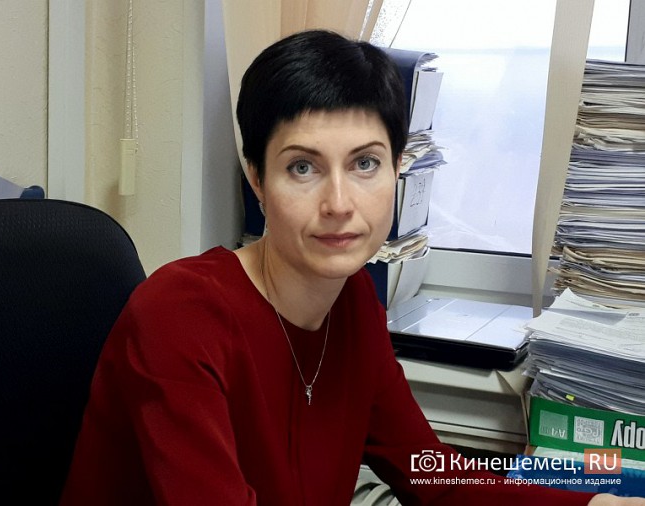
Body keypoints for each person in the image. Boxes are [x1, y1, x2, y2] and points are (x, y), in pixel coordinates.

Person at [59, 30, 644, 506]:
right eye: (302, 168)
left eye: (365, 163)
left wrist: (596, 503)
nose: (339, 203)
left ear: (398, 169)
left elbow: (431, 473)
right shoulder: (181, 316)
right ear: (257, 179)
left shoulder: (354, 300)